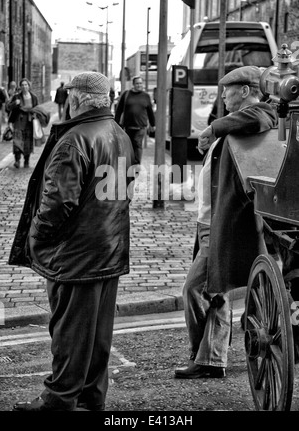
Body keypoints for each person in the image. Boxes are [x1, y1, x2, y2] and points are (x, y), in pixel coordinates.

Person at [10, 72, 135, 411]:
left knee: (69, 333)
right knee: (97, 336)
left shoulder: (75, 139)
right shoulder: (120, 135)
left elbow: (57, 203)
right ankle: (90, 398)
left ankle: (59, 400)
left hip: (76, 254)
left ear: (79, 98)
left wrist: (37, 236)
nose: (66, 100)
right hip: (109, 248)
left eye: (69, 95)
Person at [174, 66, 277, 380]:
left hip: (222, 224)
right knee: (214, 292)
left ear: (245, 90)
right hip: (208, 221)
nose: (222, 95)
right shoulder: (234, 125)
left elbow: (263, 116)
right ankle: (212, 359)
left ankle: (201, 357)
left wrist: (213, 129)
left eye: (227, 90)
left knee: (193, 289)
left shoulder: (257, 115)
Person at [114, 76, 156, 166]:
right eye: (137, 83)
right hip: (128, 126)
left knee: (137, 144)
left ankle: (136, 164)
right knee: (128, 145)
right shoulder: (126, 94)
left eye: (140, 83)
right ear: (133, 84)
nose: (139, 85)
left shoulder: (146, 96)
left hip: (141, 127)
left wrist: (153, 124)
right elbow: (119, 110)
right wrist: (116, 124)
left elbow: (150, 111)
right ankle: (129, 162)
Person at [6, 78, 39, 168]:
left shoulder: (34, 97)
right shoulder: (17, 97)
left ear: (29, 86)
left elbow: (37, 109)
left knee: (27, 141)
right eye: (22, 85)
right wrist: (14, 103)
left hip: (29, 121)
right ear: (20, 87)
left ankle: (26, 160)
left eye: (26, 85)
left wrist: (36, 117)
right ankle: (17, 160)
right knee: (17, 140)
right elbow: (8, 107)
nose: (24, 86)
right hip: (18, 121)